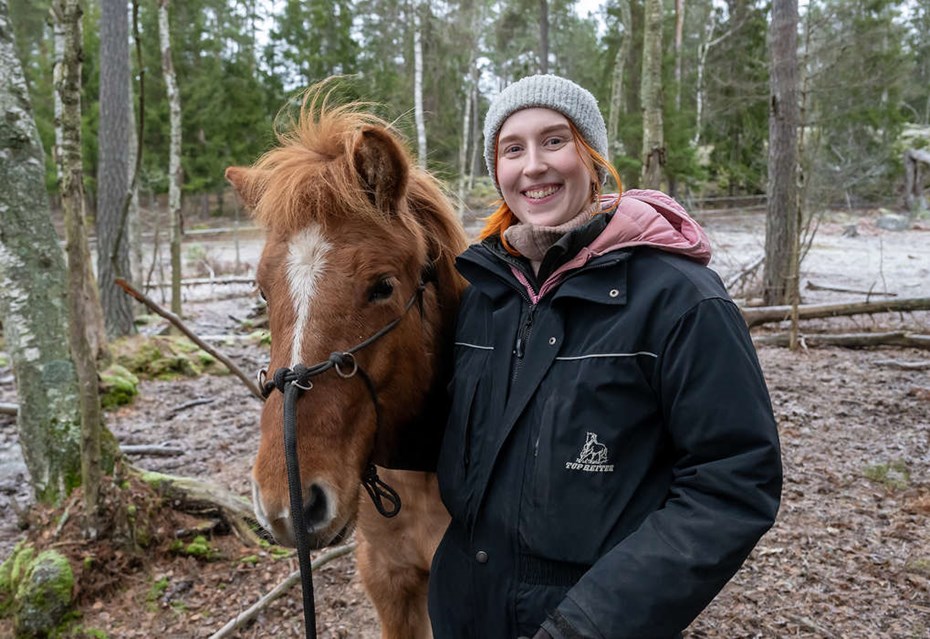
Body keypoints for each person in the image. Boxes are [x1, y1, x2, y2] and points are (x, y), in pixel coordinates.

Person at [427, 74, 783, 639]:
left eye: (554, 141)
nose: (533, 165)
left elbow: (732, 484)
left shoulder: (681, 300)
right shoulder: (486, 297)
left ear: (592, 157)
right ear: (497, 171)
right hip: (464, 614)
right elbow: (454, 445)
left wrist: (589, 625)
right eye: (512, 148)